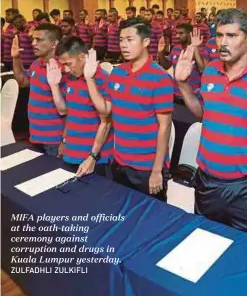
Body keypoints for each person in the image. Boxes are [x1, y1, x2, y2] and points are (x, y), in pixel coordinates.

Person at [174, 8, 247, 239]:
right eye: (219, 35)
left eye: (232, 36)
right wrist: (183, 85)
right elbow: (205, 115)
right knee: (207, 243)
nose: (223, 43)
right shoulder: (211, 71)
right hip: (207, 182)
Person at [85, 18, 173, 200]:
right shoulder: (117, 73)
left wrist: (157, 170)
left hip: (147, 167)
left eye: (130, 40)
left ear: (146, 41)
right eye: (121, 40)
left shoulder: (160, 77)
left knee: (150, 220)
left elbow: (165, 127)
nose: (124, 45)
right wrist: (89, 79)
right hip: (120, 161)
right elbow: (105, 110)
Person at [46, 37, 113, 177]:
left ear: (83, 57)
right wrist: (54, 86)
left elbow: (106, 121)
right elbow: (65, 111)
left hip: (94, 158)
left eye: (69, 63)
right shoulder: (71, 78)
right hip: (71, 152)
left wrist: (93, 156)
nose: (66, 69)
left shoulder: (103, 79)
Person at [11, 23, 65, 156]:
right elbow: (23, 81)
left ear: (54, 43)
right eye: (33, 40)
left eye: (39, 40)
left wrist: (65, 140)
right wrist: (16, 58)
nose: (33, 43)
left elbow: (69, 111)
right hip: (35, 135)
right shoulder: (37, 63)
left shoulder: (64, 68)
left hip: (55, 139)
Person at [158, 24, 206, 94]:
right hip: (176, 92)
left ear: (190, 34)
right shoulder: (176, 49)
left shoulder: (200, 50)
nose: (177, 36)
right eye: (177, 33)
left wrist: (195, 47)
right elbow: (166, 66)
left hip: (193, 94)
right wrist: (160, 52)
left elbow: (202, 69)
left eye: (181, 33)